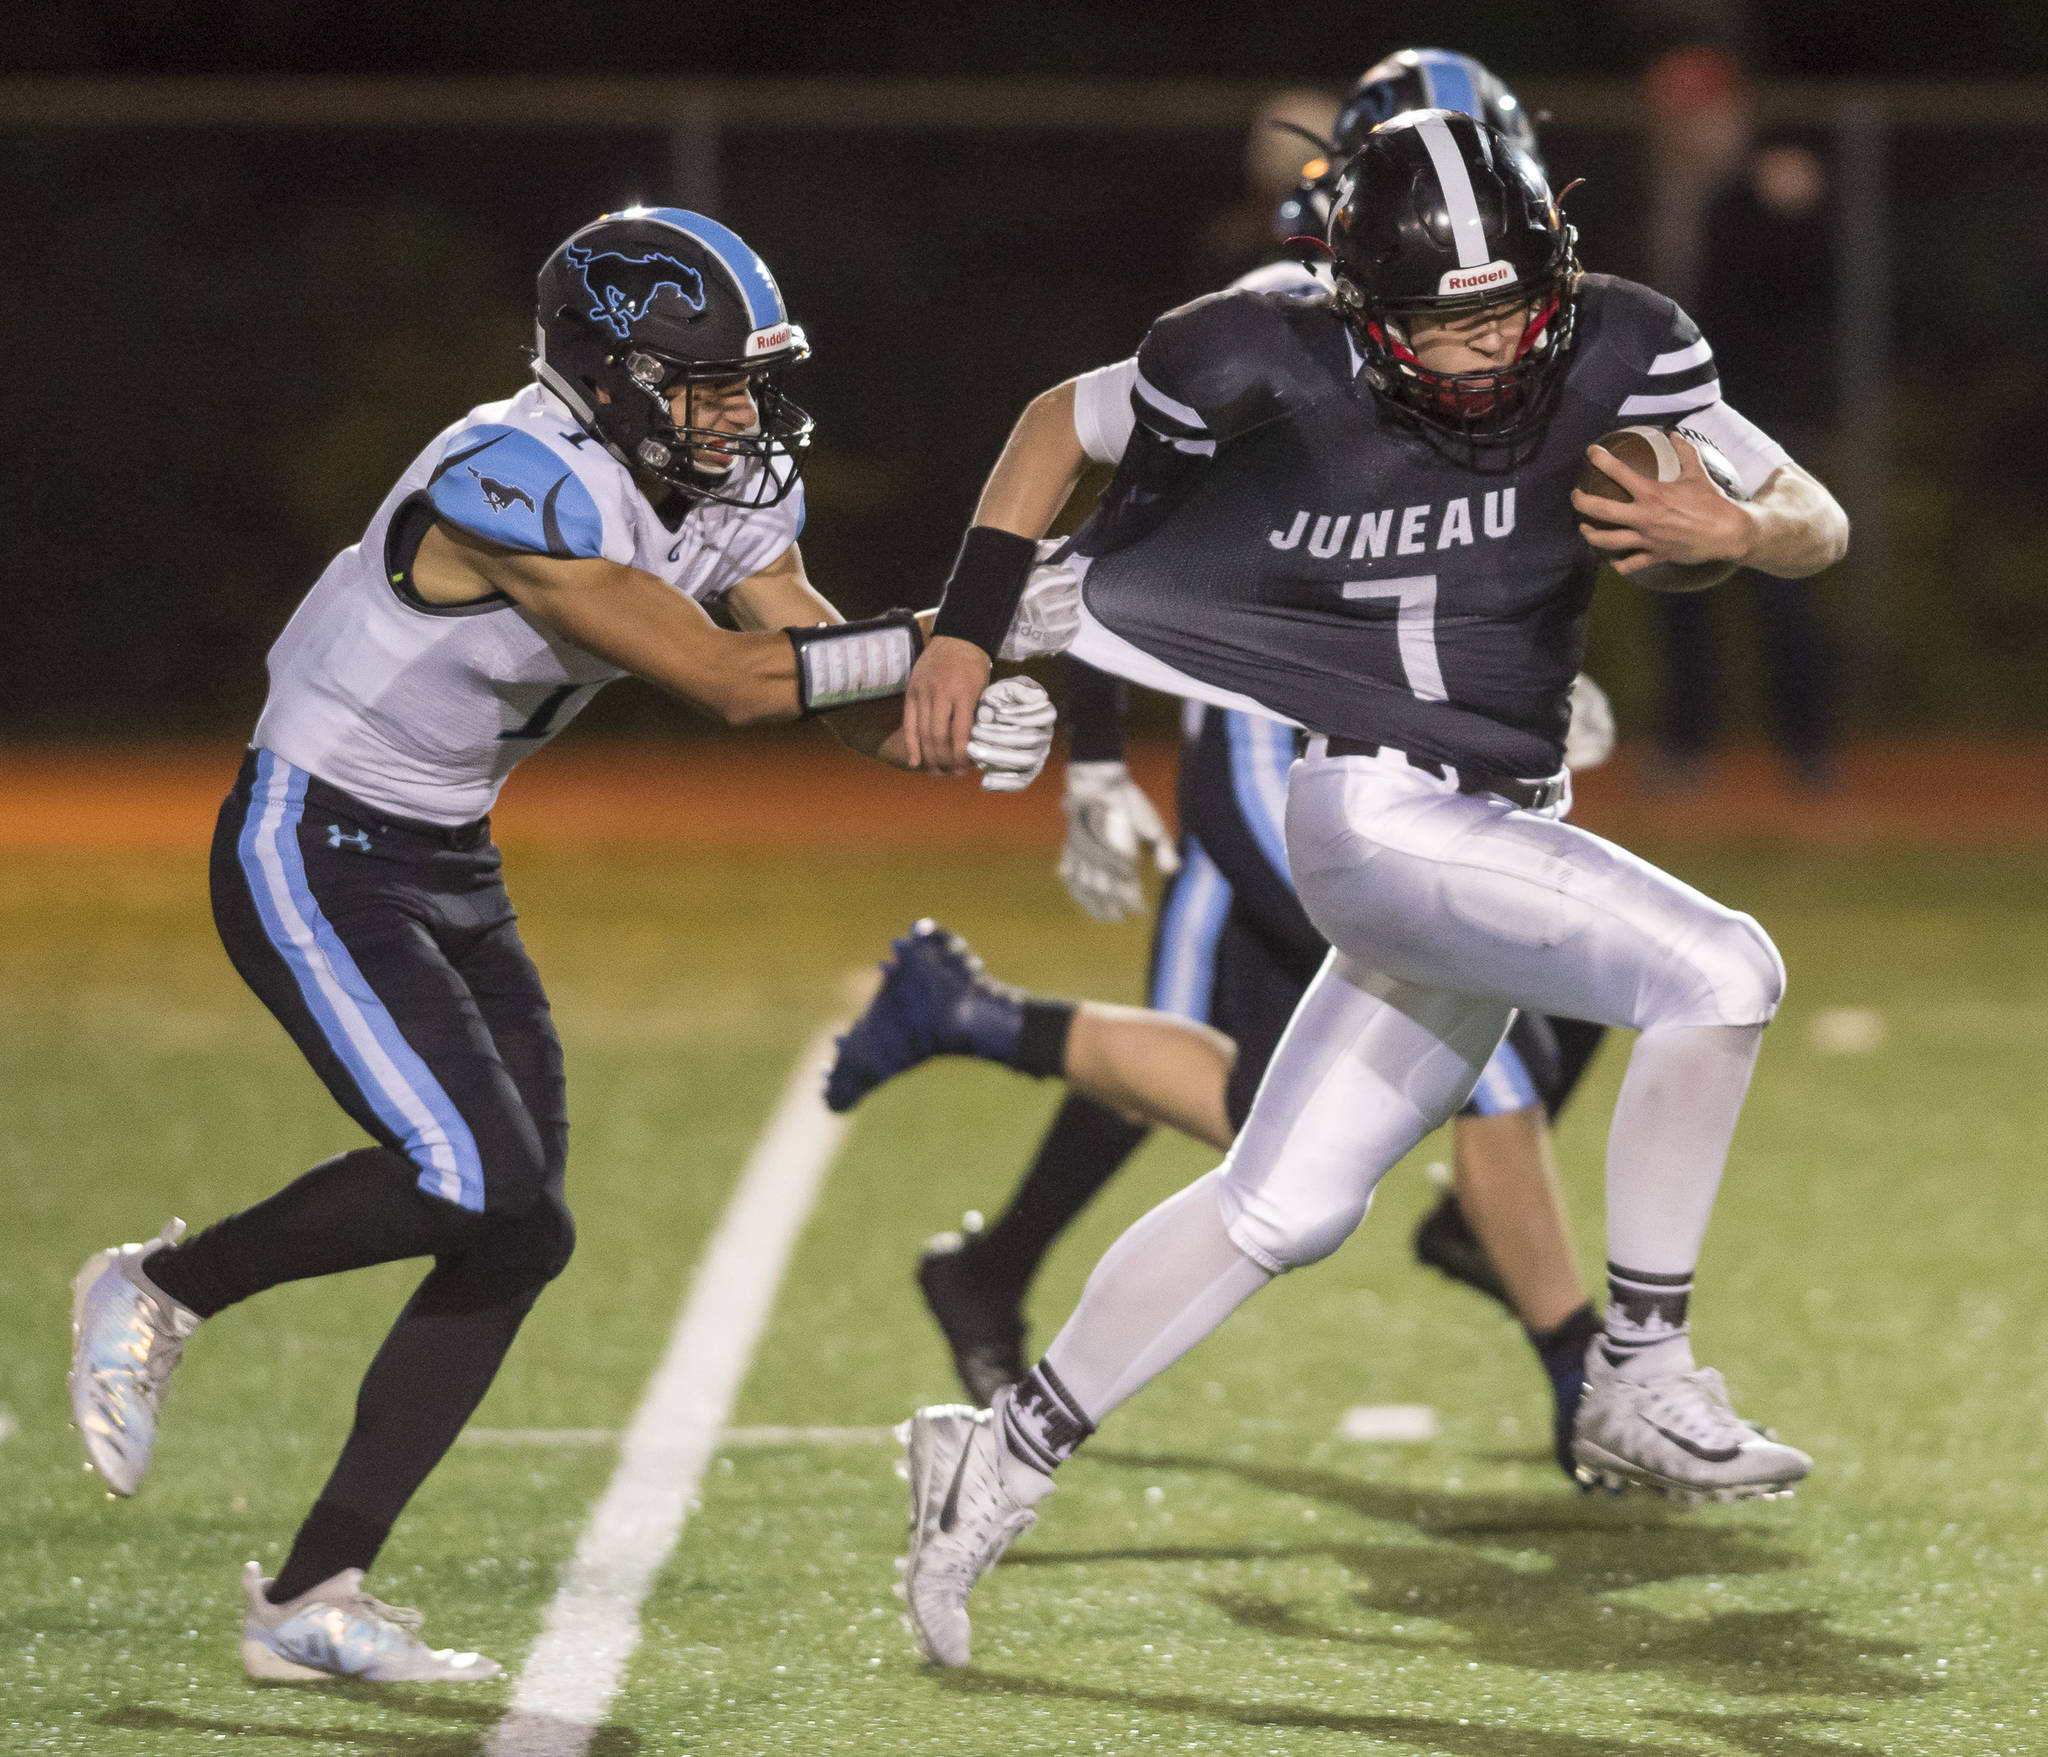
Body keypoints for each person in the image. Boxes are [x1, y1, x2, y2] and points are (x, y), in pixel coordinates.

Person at [893, 110, 1848, 1666]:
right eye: (1438, 320)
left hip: (1494, 825)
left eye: (1502, 308)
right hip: (1375, 811)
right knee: (1724, 972)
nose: (1478, 355)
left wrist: (1737, 527)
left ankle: (992, 1459)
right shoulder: (1251, 352)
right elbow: (1053, 426)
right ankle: (1637, 1368)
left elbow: (1821, 520)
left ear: (1558, 268)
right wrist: (963, 625)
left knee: (1282, 1205)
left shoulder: (1627, 341)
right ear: (1356, 303)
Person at [64, 207, 1055, 1684]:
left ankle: (315, 1591)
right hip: (312, 836)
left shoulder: (705, 482)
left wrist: (936, 724)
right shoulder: (505, 473)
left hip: (447, 851)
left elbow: (804, 657)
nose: (736, 415)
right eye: (703, 383)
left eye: (746, 383)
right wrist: (953, 628)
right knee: (469, 1171)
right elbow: (727, 682)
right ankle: (161, 1288)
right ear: (606, 371)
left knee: (517, 1223)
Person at [848, 49, 1611, 1479]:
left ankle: (985, 1160)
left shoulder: (1496, 326)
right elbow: (1123, 540)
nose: (1489, 274)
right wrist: (1091, 755)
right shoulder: (1282, 321)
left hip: (1412, 740)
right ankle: (1595, 1371)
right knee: (1408, 1076)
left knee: (1334, 1071)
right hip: (1282, 746)